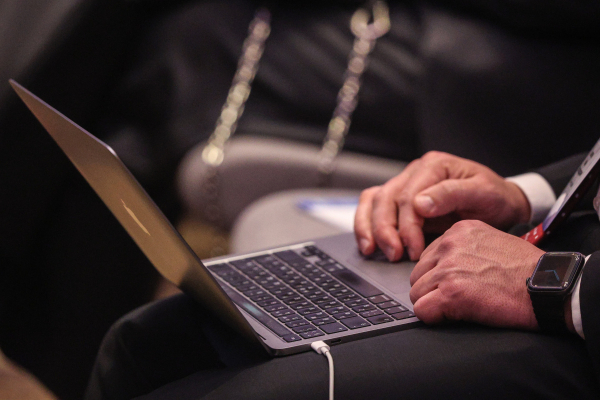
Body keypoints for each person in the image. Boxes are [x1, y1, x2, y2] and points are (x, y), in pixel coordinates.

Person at [84, 150, 600, 400]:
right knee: (144, 341)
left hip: (580, 320)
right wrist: (527, 194)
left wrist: (561, 284)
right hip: (564, 240)